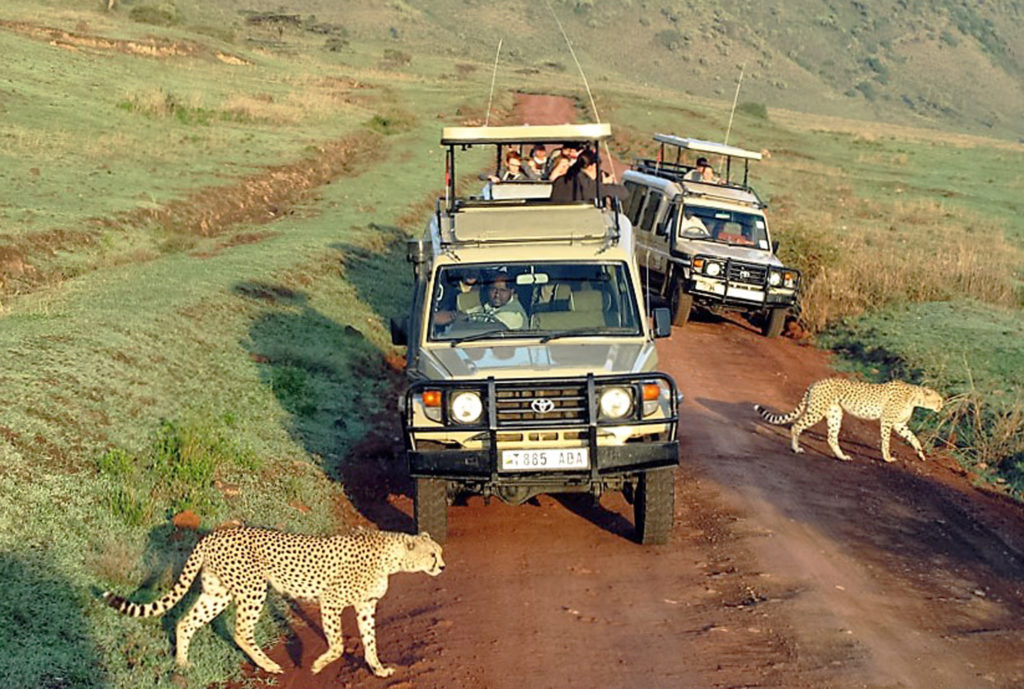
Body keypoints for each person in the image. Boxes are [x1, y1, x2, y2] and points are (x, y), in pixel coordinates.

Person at [550, 149, 628, 204]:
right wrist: (604, 185)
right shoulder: (587, 185)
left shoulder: (560, 181)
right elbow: (624, 193)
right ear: (592, 166)